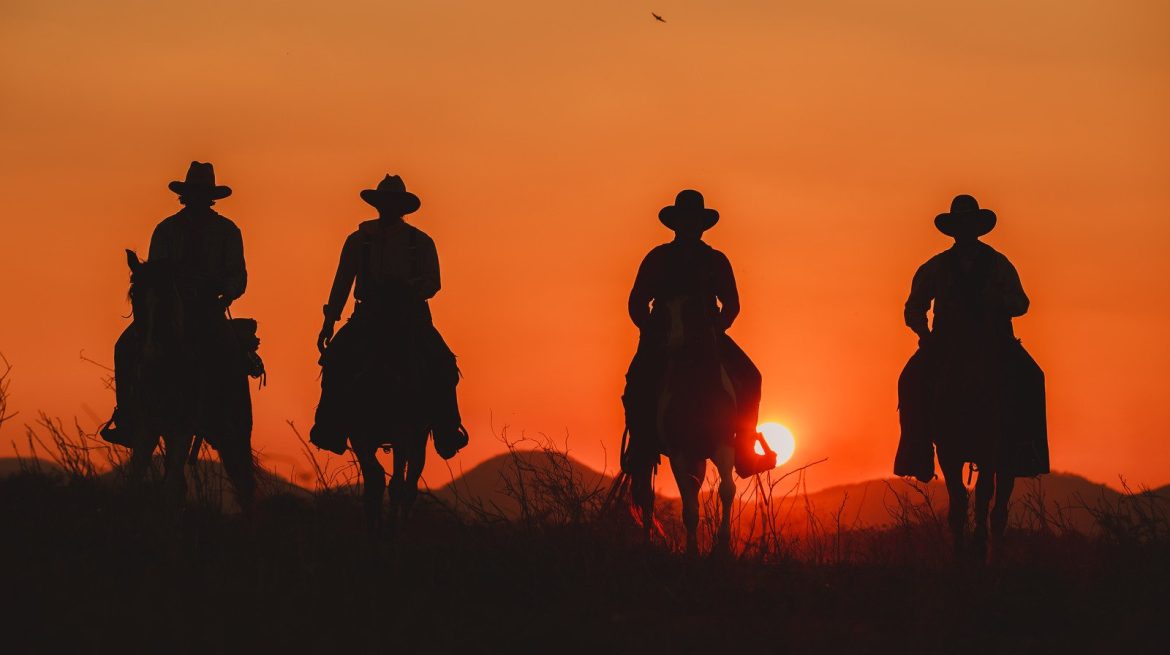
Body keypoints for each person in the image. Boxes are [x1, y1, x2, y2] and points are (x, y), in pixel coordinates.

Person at [897, 193, 1048, 555]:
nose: (964, 231)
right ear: (954, 230)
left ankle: (1026, 447)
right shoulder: (936, 267)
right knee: (911, 379)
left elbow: (1022, 303)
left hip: (995, 340)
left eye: (969, 225)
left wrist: (997, 302)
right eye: (959, 225)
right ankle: (916, 449)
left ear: (976, 228)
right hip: (946, 343)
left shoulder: (997, 264)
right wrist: (925, 335)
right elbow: (913, 306)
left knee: (1032, 376)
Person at [103, 161, 254, 502]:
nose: (197, 200)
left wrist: (223, 293)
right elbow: (157, 272)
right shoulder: (166, 230)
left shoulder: (227, 232)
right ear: (187, 196)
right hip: (171, 308)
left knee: (228, 352)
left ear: (209, 198)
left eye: (202, 195)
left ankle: (230, 417)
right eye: (194, 194)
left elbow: (238, 276)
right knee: (125, 346)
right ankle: (127, 414)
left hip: (209, 310)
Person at [310, 174, 468, 460]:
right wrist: (329, 320)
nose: (389, 207)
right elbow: (342, 282)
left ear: (402, 208)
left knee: (444, 363)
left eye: (393, 203)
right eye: (385, 202)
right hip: (368, 316)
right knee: (334, 359)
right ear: (378, 204)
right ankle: (329, 426)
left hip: (410, 316)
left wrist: (408, 290)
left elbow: (433, 282)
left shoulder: (420, 242)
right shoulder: (358, 241)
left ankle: (447, 431)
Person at [622, 189, 765, 482]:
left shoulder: (715, 261)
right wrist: (650, 330)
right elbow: (637, 301)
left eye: (694, 222)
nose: (690, 227)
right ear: (677, 225)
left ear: (701, 225)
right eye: (686, 221)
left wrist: (716, 329)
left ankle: (745, 447)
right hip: (662, 336)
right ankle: (641, 446)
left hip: (706, 337)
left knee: (752, 377)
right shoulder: (658, 258)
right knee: (636, 380)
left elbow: (732, 304)